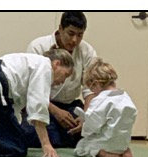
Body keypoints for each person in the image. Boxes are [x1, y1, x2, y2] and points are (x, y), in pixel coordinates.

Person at [0, 48, 74, 157]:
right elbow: (39, 105)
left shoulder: (26, 63)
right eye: (65, 75)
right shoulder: (45, 65)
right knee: (16, 146)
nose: (62, 82)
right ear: (57, 64)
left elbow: (13, 110)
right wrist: (46, 144)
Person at [22, 12, 97, 148]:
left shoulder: (87, 51)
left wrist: (85, 117)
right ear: (60, 29)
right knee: (30, 135)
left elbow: (90, 90)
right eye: (71, 33)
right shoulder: (38, 46)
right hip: (44, 103)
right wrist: (55, 111)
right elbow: (31, 89)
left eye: (79, 35)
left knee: (91, 132)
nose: (74, 40)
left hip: (70, 105)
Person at [74, 58, 137, 157]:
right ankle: (124, 151)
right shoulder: (124, 95)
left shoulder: (100, 99)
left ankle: (102, 153)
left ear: (95, 84)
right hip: (122, 143)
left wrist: (84, 121)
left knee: (81, 146)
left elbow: (92, 126)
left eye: (92, 90)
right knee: (116, 137)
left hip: (105, 143)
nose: (93, 93)